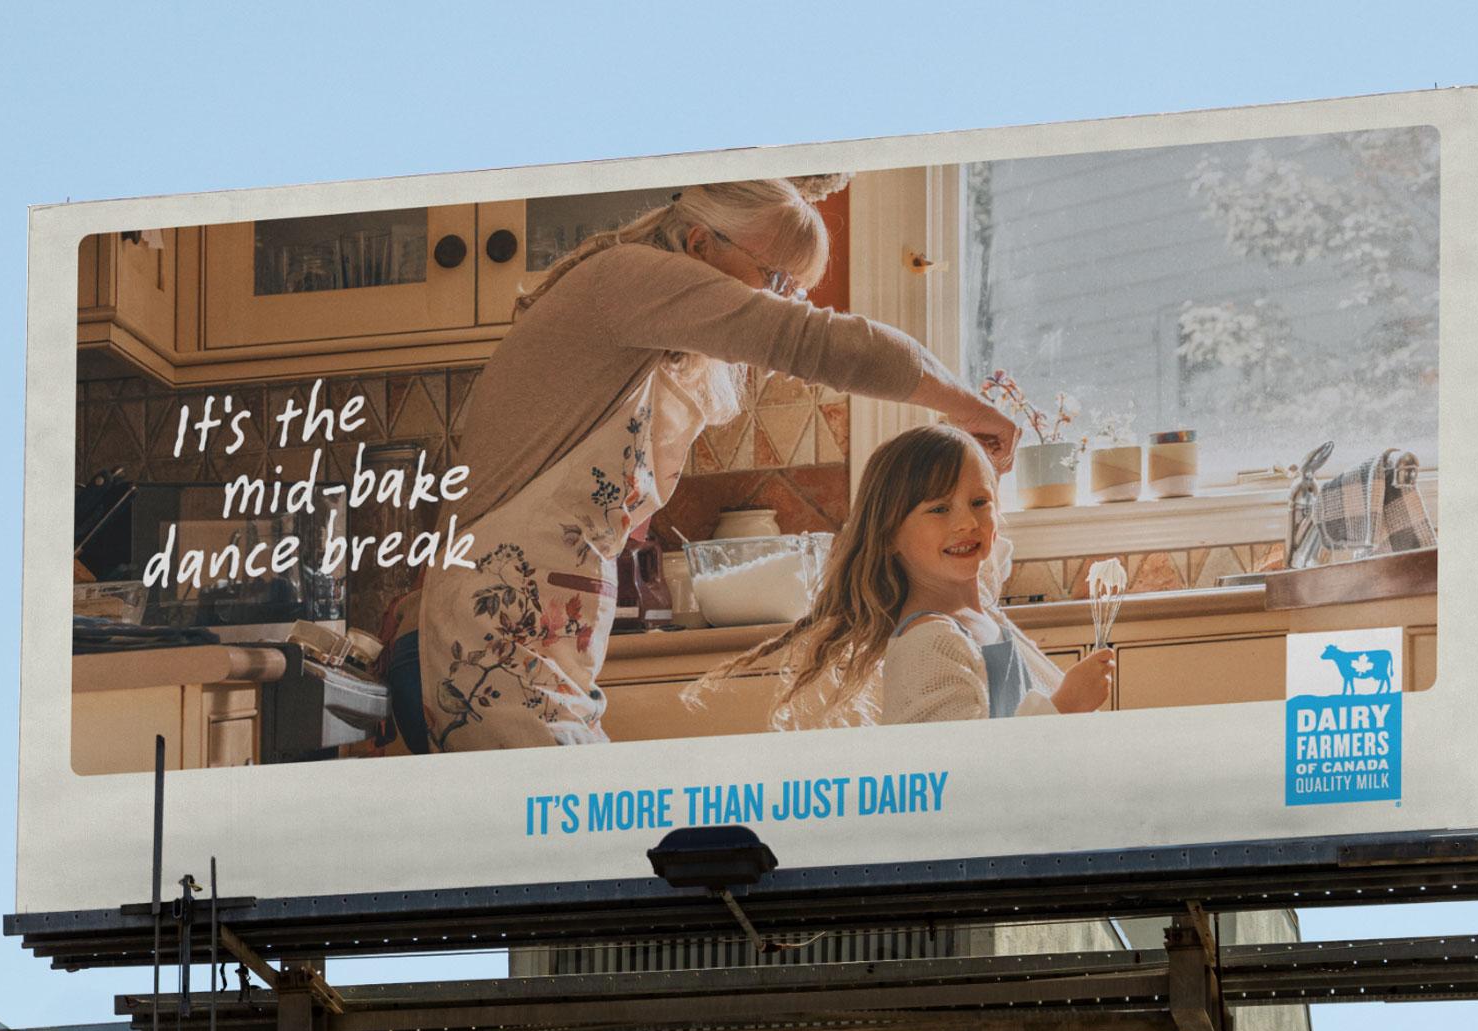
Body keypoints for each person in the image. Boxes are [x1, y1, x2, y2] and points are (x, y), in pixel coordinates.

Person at [395, 175, 1020, 752]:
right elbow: (823, 342)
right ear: (700, 241)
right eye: (775, 280)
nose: (784, 304)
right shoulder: (627, 281)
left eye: (793, 290)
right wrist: (973, 410)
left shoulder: (645, 332)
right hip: (495, 629)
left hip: (540, 630)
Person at [709, 424, 1115, 729]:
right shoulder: (929, 644)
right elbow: (961, 779)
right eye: (939, 509)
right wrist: (1063, 706)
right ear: (888, 536)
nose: (967, 523)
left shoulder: (985, 618)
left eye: (979, 502)